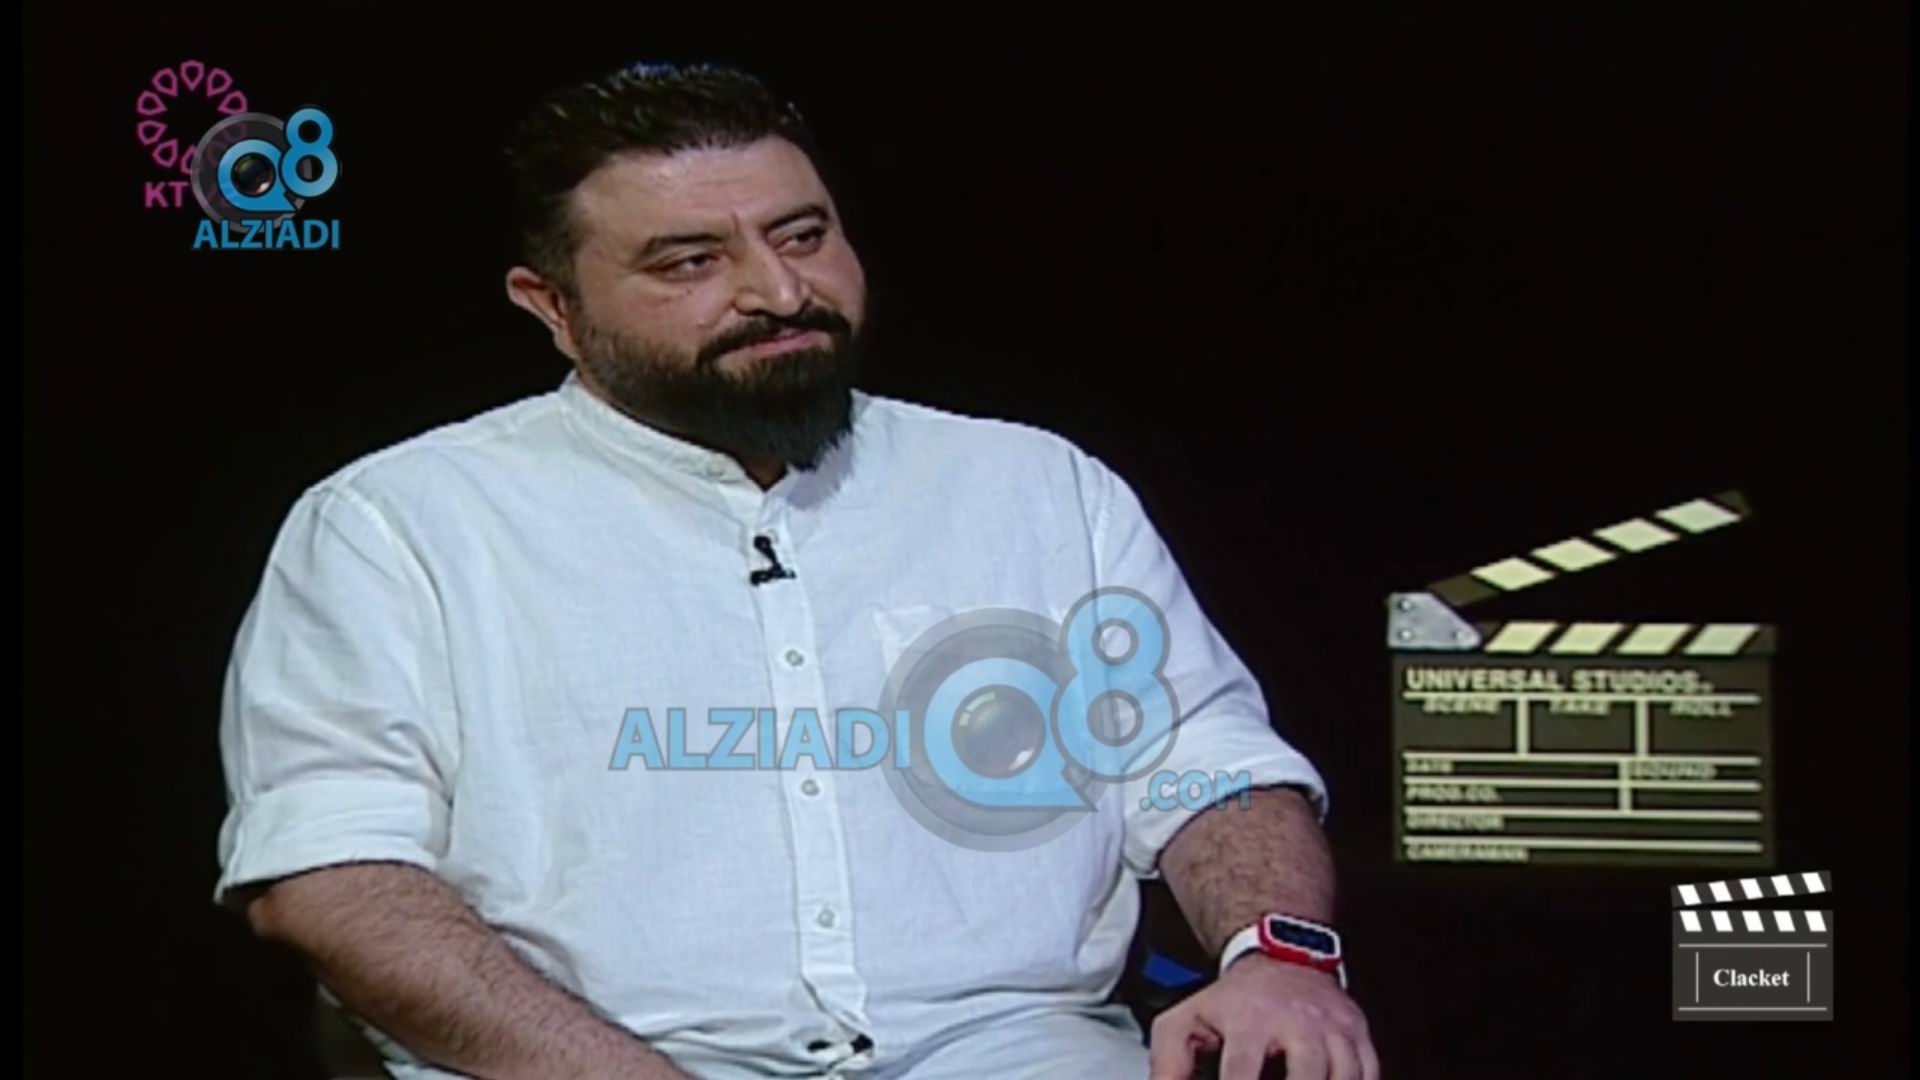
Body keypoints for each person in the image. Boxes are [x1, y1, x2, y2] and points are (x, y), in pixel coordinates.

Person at [213, 62, 1378, 1080]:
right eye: (690, 261)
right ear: (553, 308)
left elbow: (1210, 765)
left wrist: (1278, 959)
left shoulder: (1038, 487)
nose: (777, 292)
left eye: (804, 235)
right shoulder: (397, 525)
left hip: (1016, 1052)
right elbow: (332, 876)